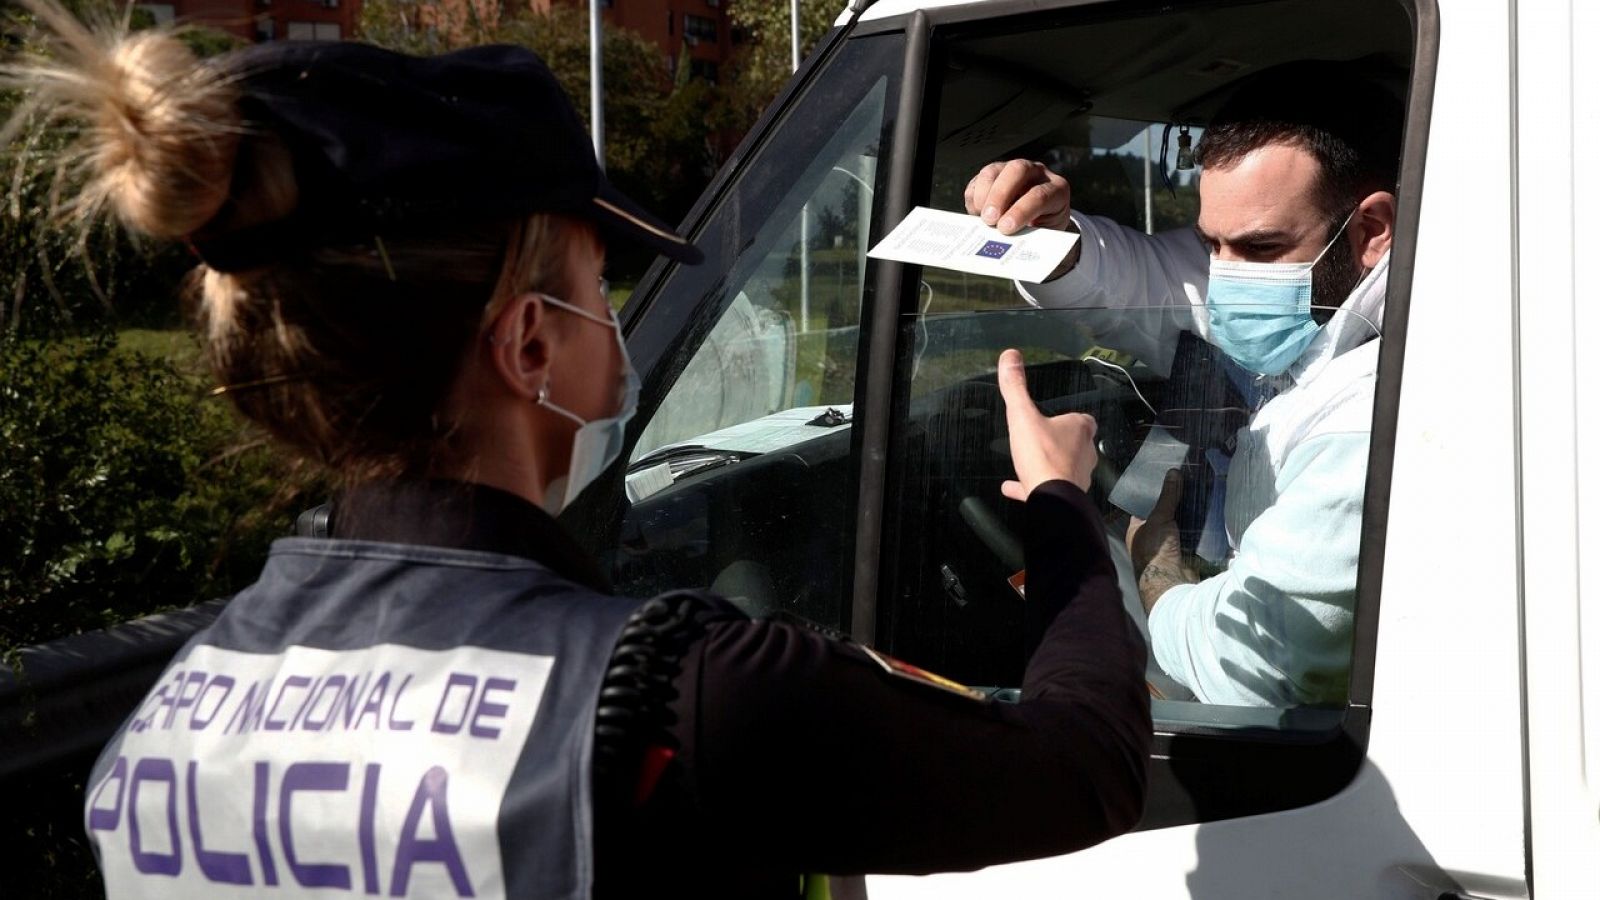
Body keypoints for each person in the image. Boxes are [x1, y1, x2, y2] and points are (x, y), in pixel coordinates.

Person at [7, 4, 1151, 897]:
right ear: (528, 342)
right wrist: (1058, 505)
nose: (617, 321)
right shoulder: (690, 694)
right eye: (601, 284)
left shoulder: (179, 704)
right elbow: (1085, 767)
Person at [964, 62, 1402, 708]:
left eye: (1257, 250)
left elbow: (1253, 664)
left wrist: (1152, 568)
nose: (1223, 280)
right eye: (1210, 246)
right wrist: (1050, 235)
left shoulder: (1374, 411)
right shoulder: (1317, 293)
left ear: (1370, 231)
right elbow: (1137, 281)